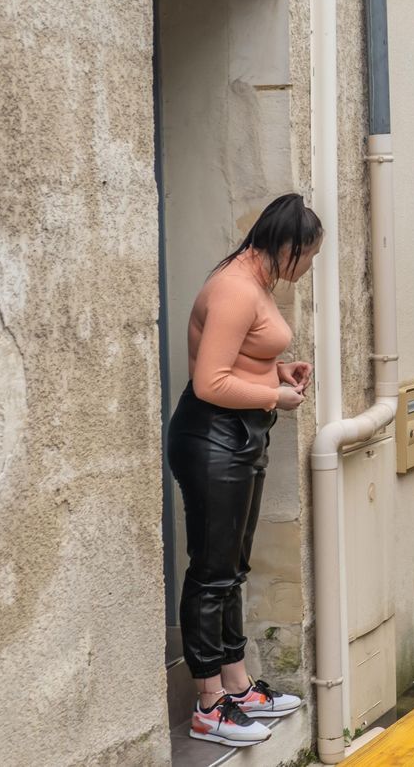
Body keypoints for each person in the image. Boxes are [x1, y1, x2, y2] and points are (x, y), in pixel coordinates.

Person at [166, 193, 318, 747]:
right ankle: (209, 703)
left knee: (232, 566)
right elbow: (210, 382)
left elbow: (238, 357)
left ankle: (237, 684)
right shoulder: (233, 288)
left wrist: (278, 368)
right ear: (287, 247)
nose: (306, 269)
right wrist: (275, 394)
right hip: (212, 436)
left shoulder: (255, 282)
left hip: (238, 436)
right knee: (211, 571)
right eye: (307, 257)